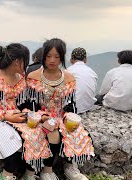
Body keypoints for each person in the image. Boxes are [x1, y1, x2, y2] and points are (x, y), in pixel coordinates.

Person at [21, 38, 94, 180]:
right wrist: (42, 118)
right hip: (39, 117)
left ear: (62, 57)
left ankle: (70, 166)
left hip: (60, 116)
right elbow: (29, 105)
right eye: (48, 56)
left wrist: (68, 116)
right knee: (42, 134)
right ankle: (43, 171)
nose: (52, 60)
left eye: (57, 56)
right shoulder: (33, 77)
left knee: (77, 132)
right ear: (43, 57)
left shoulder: (69, 78)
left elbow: (71, 104)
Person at [0, 43, 30, 180]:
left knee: (35, 136)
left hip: (17, 118)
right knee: (11, 144)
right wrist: (6, 116)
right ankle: (7, 175)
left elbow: (25, 103)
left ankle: (29, 175)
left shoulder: (22, 80)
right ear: (17, 62)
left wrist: (25, 114)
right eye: (25, 61)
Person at [67, 47, 98, 113]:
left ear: (71, 59)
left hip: (72, 107)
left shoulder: (68, 71)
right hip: (88, 106)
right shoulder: (92, 72)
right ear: (85, 59)